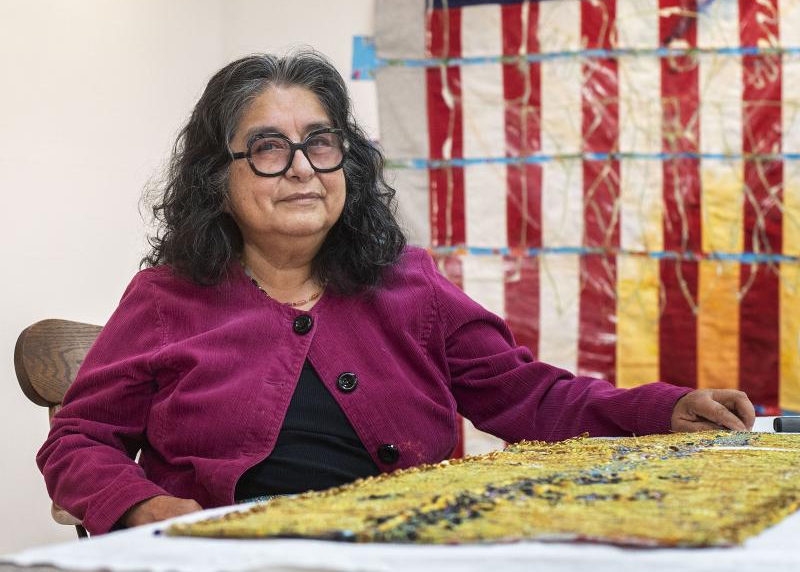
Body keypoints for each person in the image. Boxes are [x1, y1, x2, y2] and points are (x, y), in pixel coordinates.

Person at [37, 50, 756, 536]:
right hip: (233, 552)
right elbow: (79, 440)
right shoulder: (165, 300)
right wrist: (150, 509)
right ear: (214, 180)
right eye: (267, 149)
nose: (301, 170)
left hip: (405, 547)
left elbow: (526, 396)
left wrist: (660, 407)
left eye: (321, 143)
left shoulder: (410, 282)